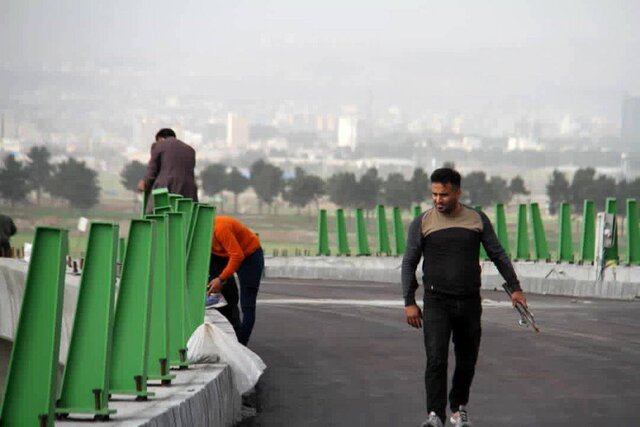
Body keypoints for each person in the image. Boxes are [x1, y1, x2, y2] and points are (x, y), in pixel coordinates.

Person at [401, 168, 527, 427]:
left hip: (469, 302)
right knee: (436, 358)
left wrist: (515, 287)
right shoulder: (423, 222)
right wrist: (409, 301)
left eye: (444, 194)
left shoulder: (477, 219)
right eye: (434, 194)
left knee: (467, 359)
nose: (438, 200)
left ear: (458, 192)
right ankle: (435, 415)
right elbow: (409, 262)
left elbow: (497, 254)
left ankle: (458, 410)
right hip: (437, 302)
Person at [206, 216, 264, 346]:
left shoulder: (220, 229)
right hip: (223, 255)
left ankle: (242, 344)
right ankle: (226, 334)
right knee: (225, 294)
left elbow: (237, 256)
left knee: (247, 303)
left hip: (249, 256)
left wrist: (221, 279)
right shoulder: (199, 235)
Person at [137, 128, 198, 212]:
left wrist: (145, 183)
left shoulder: (159, 145)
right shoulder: (190, 150)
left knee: (151, 215)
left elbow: (152, 169)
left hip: (167, 188)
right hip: (189, 193)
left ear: (160, 138)